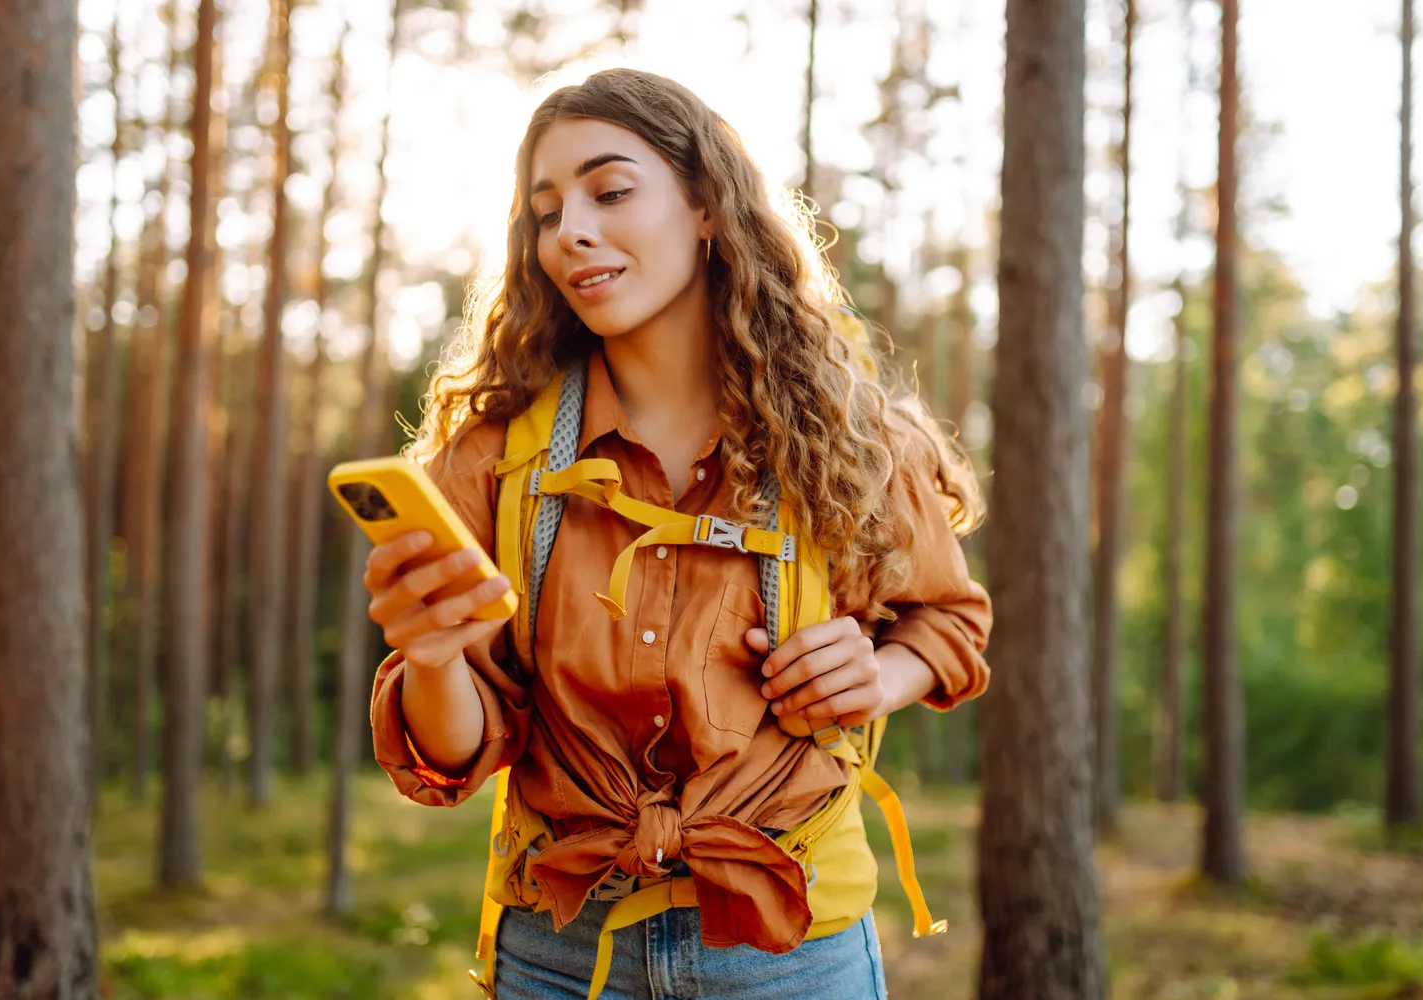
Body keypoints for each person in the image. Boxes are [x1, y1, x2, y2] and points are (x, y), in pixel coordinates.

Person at [360, 67, 992, 1000]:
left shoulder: (858, 443)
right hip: (557, 959)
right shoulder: (492, 461)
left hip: (795, 955)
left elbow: (950, 625)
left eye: (609, 191)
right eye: (545, 211)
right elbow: (453, 756)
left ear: (706, 205)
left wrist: (878, 676)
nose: (569, 230)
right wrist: (431, 661)